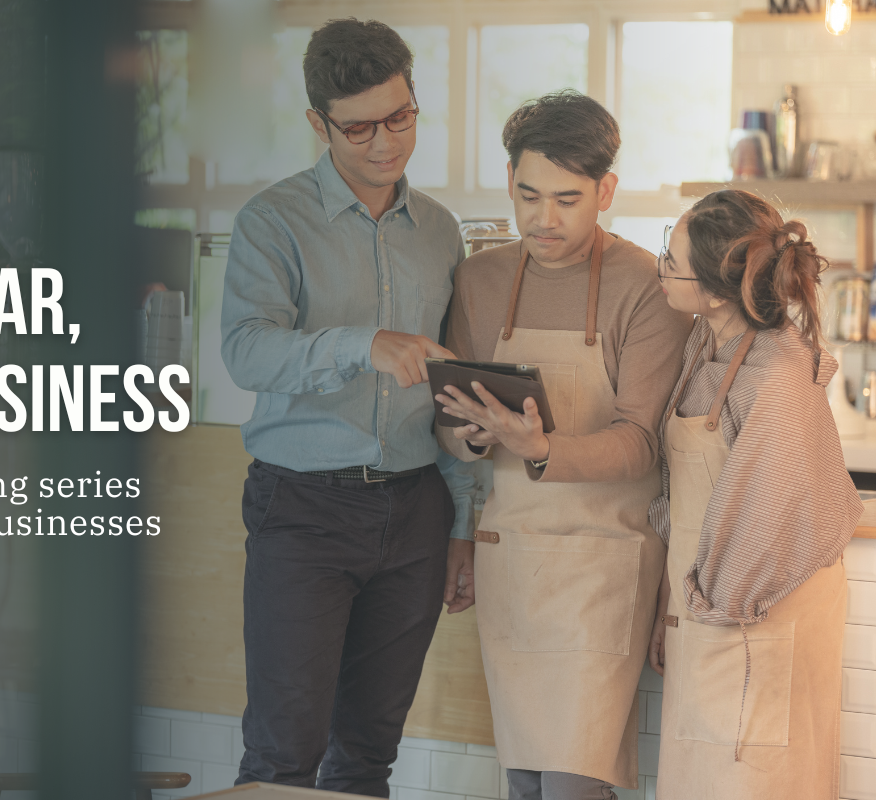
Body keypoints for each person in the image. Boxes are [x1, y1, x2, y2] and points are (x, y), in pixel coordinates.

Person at [219, 18, 477, 797]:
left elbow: (453, 395)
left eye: (400, 118)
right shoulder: (273, 222)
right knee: (281, 755)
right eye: (358, 127)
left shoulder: (439, 232)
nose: (384, 143)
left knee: (367, 755)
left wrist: (461, 524)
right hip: (302, 509)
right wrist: (357, 344)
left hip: (415, 512)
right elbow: (246, 351)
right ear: (317, 124)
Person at [433, 90, 693, 799]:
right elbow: (446, 425)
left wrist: (541, 446)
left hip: (602, 571)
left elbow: (641, 443)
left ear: (606, 190)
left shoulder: (645, 284)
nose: (543, 220)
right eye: (527, 196)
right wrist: (475, 437)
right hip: (512, 564)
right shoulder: (479, 279)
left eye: (567, 199)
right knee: (523, 782)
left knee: (574, 785)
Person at [646, 190, 861, 798]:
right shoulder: (702, 342)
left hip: (749, 613)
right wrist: (674, 607)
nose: (660, 264)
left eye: (672, 257)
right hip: (707, 609)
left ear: (715, 290)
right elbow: (682, 499)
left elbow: (766, 519)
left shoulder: (776, 371)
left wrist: (703, 607)